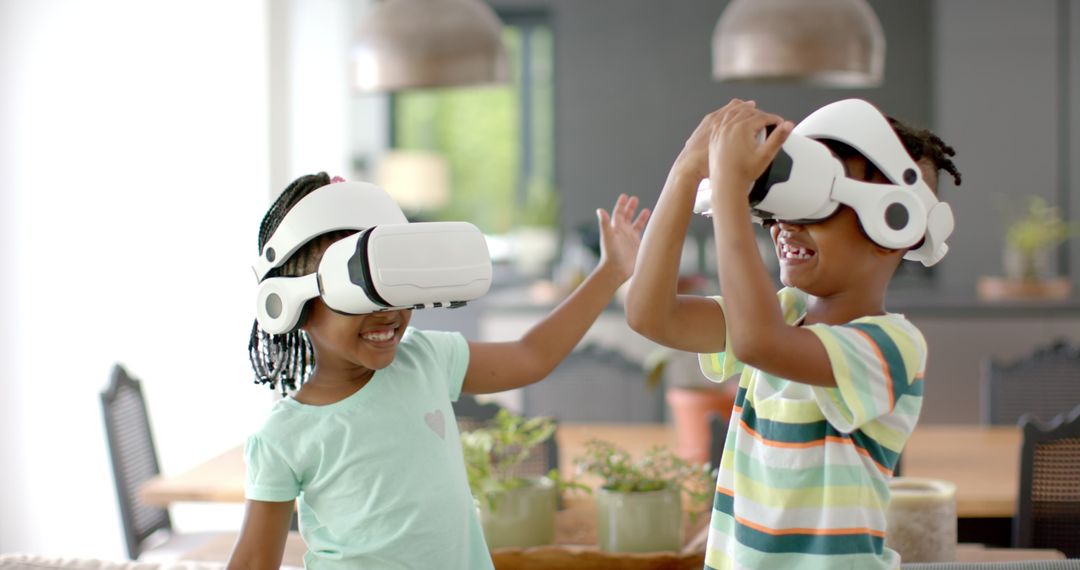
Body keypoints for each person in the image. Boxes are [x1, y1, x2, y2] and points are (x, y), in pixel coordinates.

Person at [227, 172, 650, 570]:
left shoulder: (425, 358)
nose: (388, 312)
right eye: (358, 292)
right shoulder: (282, 438)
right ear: (290, 304)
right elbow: (251, 563)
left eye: (394, 285)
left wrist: (610, 272)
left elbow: (531, 356)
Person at [625, 99, 962, 569]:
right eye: (776, 211)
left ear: (895, 226)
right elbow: (650, 316)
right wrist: (686, 171)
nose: (783, 226)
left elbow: (758, 343)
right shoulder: (781, 313)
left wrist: (727, 191)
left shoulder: (892, 347)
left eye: (814, 207)